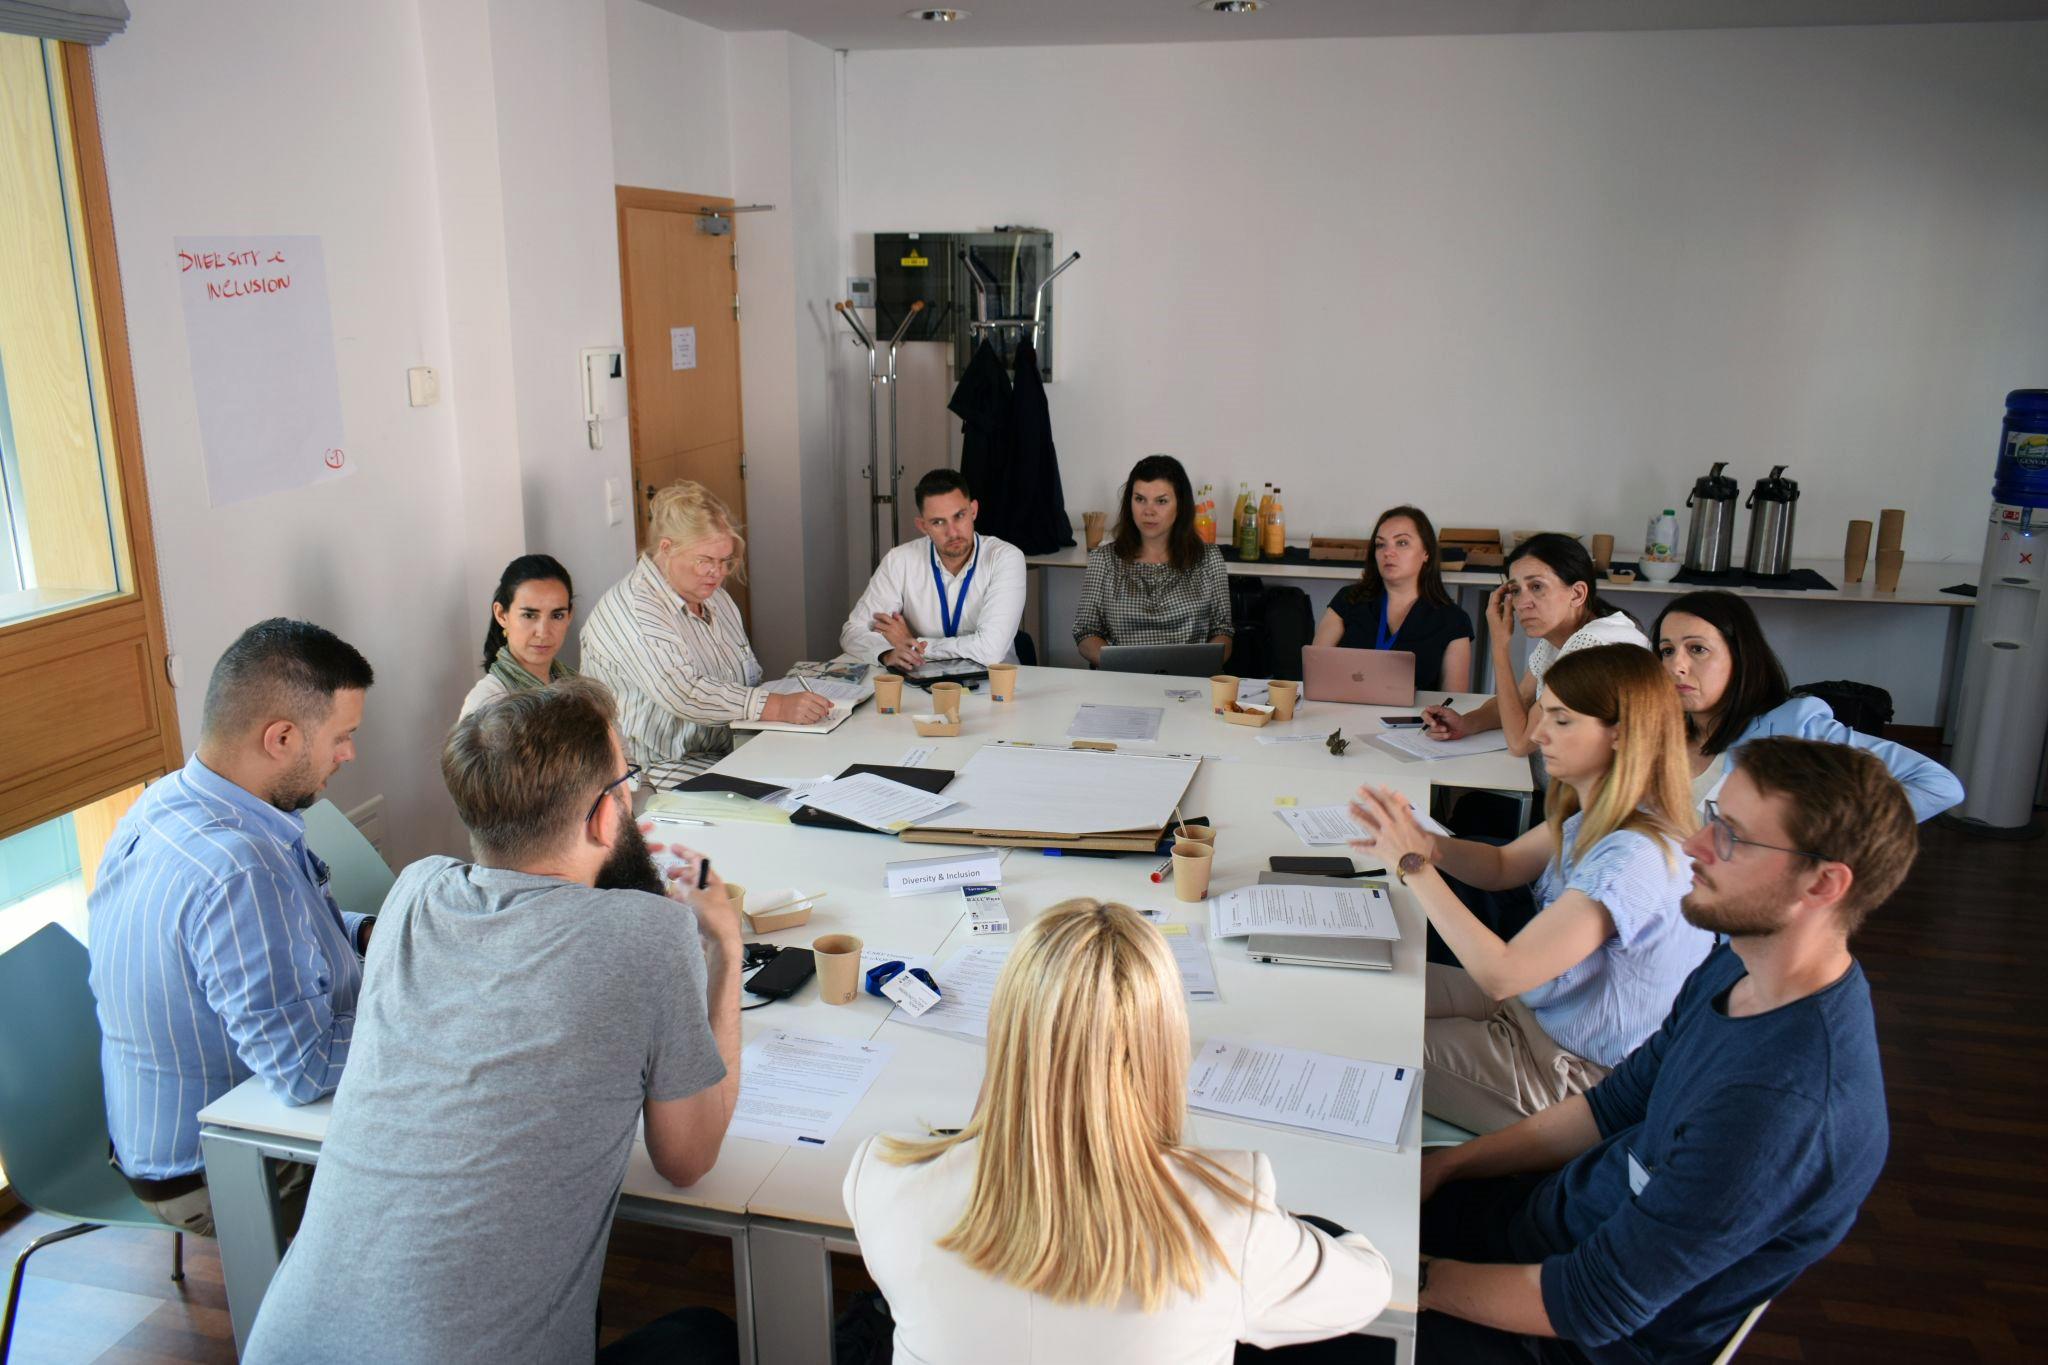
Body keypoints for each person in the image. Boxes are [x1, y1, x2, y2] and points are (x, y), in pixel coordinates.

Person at [243, 678, 743, 1365]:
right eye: (625, 781)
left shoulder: (414, 891)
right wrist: (726, 948)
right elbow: (688, 1160)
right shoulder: (651, 935)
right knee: (705, 1336)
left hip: (285, 1347)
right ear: (605, 817)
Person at [1404, 738, 1911, 1363]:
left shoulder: (1785, 1109)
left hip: (1565, 1336)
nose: (1695, 844)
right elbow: (1611, 1107)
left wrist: (1401, 1278)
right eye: (1713, 816)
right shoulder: (1737, 966)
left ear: (1824, 883)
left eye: (1732, 836)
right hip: (1540, 1224)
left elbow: (1592, 1303)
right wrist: (1451, 1166)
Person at [845, 899, 1392, 1363]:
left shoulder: (883, 1181)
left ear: (1008, 1029)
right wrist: (1280, 1223)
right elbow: (1367, 1288)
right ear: (1164, 1042)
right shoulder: (1229, 1215)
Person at [87, 618, 374, 1235]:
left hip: (149, 1141)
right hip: (218, 1172)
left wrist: (364, 933)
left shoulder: (167, 802)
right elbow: (306, 1069)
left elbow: (271, 934)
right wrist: (431, 1013)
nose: (349, 754)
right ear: (281, 738)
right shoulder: (239, 868)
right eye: (342, 737)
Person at [1351, 645, 1710, 1134]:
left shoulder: (1633, 858)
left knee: (1355, 1035)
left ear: (1621, 734)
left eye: (1561, 720)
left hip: (1574, 1073)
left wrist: (1411, 865)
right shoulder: (1605, 815)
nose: (1538, 734)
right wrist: (1425, 844)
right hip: (1538, 1014)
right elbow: (1502, 865)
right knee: (1359, 991)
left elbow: (1502, 975)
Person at [580, 480, 829, 781]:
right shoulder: (634, 609)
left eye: (724, 561)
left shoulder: (714, 597)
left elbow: (746, 679)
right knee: (782, 794)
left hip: (725, 747)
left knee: (821, 769)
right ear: (666, 548)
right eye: (705, 561)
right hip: (652, 769)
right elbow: (684, 693)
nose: (718, 573)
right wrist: (777, 706)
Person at [1654, 589, 1963, 819]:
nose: (1676, 666)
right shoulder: (1659, 733)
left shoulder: (1794, 727)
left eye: (1697, 649)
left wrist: (1830, 832)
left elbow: (1937, 785)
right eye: (1667, 651)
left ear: (1741, 657)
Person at [1422, 533, 1647, 759]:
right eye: (1516, 590)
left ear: (1577, 594)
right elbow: (1520, 700)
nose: (1522, 604)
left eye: (1537, 586)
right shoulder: (1558, 637)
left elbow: (1520, 743)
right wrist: (1466, 723)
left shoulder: (1591, 645)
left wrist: (1499, 646)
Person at [840, 467, 1026, 672]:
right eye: (938, 522)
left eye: (959, 516)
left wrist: (912, 643)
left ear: (973, 510)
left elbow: (990, 650)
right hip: (919, 681)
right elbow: (853, 632)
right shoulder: (899, 560)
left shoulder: (1005, 558)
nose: (952, 532)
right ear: (922, 526)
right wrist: (886, 653)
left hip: (995, 683)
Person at [1073, 454, 1234, 665]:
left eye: (1161, 501)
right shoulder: (1103, 560)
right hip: (1122, 677)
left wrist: (1197, 667)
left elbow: (1223, 631)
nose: (1148, 511)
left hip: (1189, 679)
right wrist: (1126, 666)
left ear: (1180, 505)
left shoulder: (1208, 558)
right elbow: (1085, 632)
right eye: (1140, 499)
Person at [1311, 504, 1473, 692]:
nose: (1388, 552)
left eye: (1402, 543)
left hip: (1416, 711)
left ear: (1426, 552)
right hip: (1343, 707)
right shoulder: (1348, 599)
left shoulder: (1454, 621)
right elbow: (1314, 672)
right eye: (1381, 544)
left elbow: (1453, 702)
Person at [460, 553, 578, 718]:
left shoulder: (579, 690)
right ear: (501, 615)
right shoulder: (486, 704)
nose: (543, 632)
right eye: (529, 615)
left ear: (569, 616)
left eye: (557, 615)